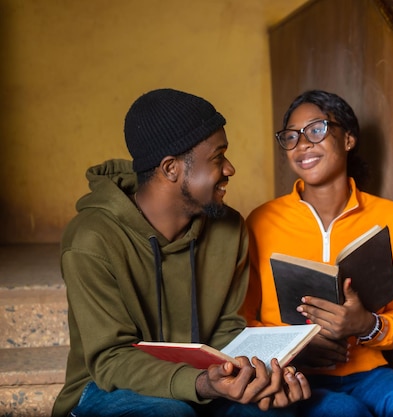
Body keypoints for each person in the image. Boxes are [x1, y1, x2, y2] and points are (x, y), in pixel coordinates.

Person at [52, 88, 312, 417]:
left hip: (203, 382)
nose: (230, 169)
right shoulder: (91, 239)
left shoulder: (229, 228)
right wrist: (202, 383)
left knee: (294, 411)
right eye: (218, 157)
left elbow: (226, 333)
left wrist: (262, 376)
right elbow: (110, 359)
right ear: (172, 168)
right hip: (104, 389)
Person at [241, 89, 393, 417]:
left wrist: (365, 324)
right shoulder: (261, 221)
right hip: (293, 376)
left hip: (367, 372)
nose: (302, 144)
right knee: (341, 411)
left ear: (348, 140)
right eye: (291, 137)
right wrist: (292, 350)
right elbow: (242, 321)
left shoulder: (391, 218)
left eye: (316, 130)